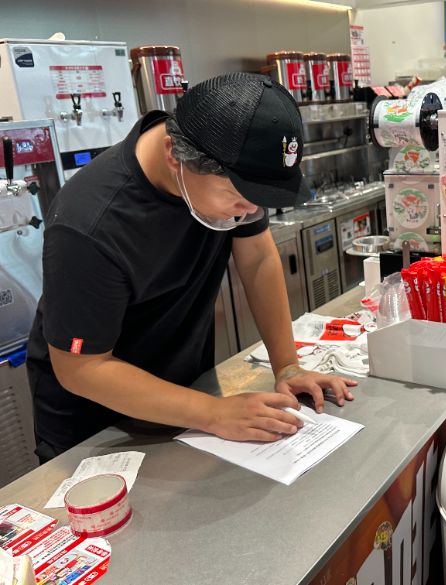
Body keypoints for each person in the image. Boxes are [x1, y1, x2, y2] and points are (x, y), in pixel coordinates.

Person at [27, 73, 357, 463]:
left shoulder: (224, 166)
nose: (250, 210)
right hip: (98, 427)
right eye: (238, 196)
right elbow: (81, 369)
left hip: (187, 400)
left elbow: (257, 257)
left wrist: (287, 366)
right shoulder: (89, 225)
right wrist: (213, 413)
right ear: (174, 155)